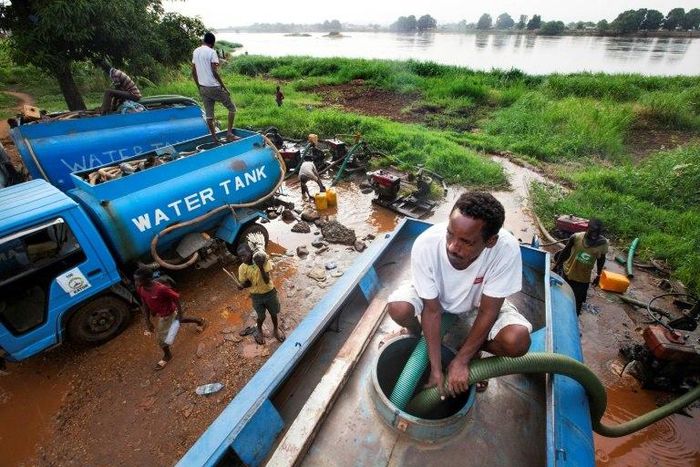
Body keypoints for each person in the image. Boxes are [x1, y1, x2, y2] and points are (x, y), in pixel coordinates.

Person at [387, 191, 532, 397]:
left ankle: (471, 350)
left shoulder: (505, 249)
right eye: (450, 233)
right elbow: (432, 310)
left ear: (490, 241)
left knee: (517, 341)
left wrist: (461, 360)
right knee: (398, 308)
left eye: (467, 241)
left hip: (477, 303)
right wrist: (436, 370)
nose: (452, 247)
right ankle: (416, 333)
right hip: (434, 298)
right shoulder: (426, 244)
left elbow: (488, 311)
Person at [135, 267, 207, 370]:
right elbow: (144, 304)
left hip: (168, 313)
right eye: (136, 280)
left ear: (148, 279)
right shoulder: (141, 289)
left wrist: (180, 313)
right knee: (179, 320)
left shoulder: (160, 289)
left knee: (161, 338)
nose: (136, 282)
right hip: (162, 314)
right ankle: (200, 321)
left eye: (138, 280)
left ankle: (167, 356)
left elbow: (175, 297)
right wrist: (148, 321)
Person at [552, 219, 609, 315]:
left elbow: (601, 260)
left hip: (582, 280)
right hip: (567, 274)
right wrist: (556, 265)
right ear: (587, 228)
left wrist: (599, 275)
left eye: (597, 232)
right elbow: (565, 252)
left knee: (577, 305)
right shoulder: (576, 237)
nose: (594, 234)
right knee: (561, 298)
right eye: (592, 230)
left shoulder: (603, 244)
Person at [191, 32, 238, 143]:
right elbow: (214, 71)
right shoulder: (212, 52)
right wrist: (224, 87)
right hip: (214, 87)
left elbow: (193, 71)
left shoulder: (196, 51)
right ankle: (229, 133)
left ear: (203, 40)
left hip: (203, 87)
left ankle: (214, 138)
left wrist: (199, 86)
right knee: (232, 108)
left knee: (209, 115)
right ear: (213, 43)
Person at [236, 244, 285, 345]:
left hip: (269, 292)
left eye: (244, 255)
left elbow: (267, 280)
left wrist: (261, 267)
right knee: (261, 316)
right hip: (256, 296)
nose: (242, 258)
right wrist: (242, 286)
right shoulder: (242, 268)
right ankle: (259, 330)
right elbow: (248, 283)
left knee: (273, 313)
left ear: (251, 252)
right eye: (240, 257)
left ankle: (275, 329)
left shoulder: (262, 259)